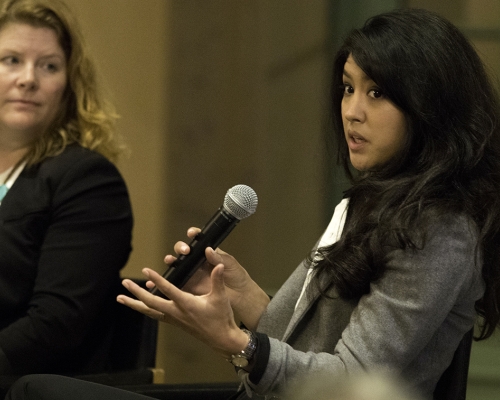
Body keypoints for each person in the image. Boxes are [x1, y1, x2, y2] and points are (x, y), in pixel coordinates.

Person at [4, 7, 500, 400]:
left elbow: (351, 383)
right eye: (348, 88)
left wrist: (235, 342)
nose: (352, 111)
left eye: (377, 94)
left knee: (35, 390)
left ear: (430, 105)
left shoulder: (441, 231)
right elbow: (307, 342)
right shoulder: (372, 204)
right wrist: (242, 295)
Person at [0, 0, 132, 380]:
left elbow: (55, 324)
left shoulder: (87, 180)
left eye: (49, 66)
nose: (28, 78)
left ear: (69, 86)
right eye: (11, 60)